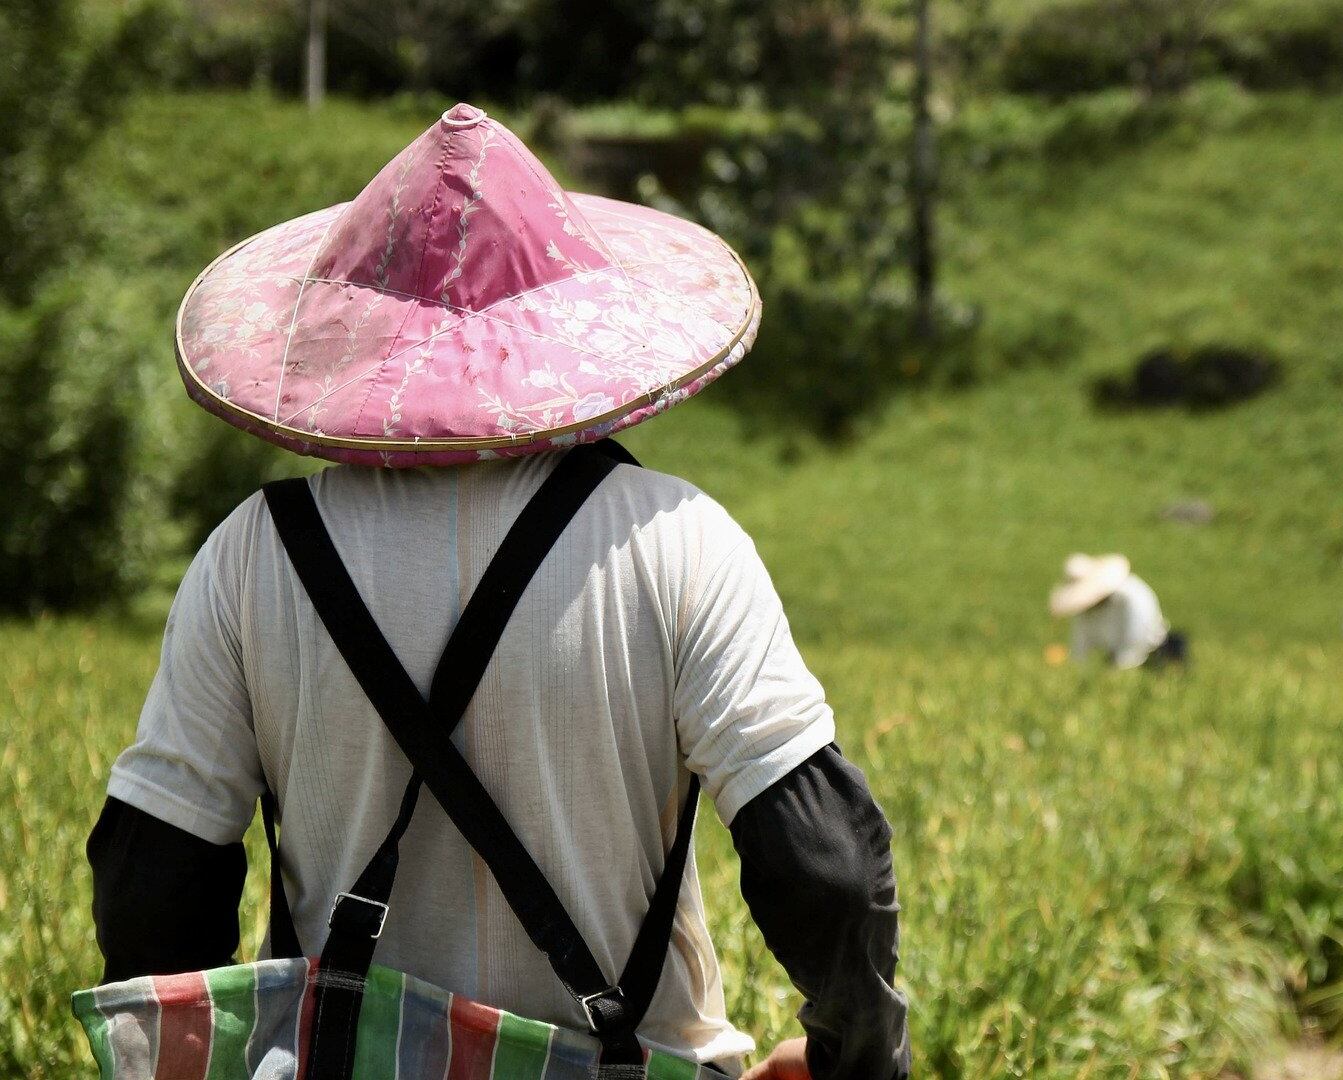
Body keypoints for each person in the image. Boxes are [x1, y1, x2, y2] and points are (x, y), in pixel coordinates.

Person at [84, 105, 907, 1080]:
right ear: (573, 329)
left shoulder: (253, 556)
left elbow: (152, 891)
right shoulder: (675, 541)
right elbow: (831, 873)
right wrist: (856, 1064)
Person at [1050, 553, 1185, 668]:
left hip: (1155, 655)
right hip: (1115, 658)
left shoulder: (1132, 598)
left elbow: (1136, 641)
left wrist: (1117, 671)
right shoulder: (1086, 611)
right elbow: (1080, 646)